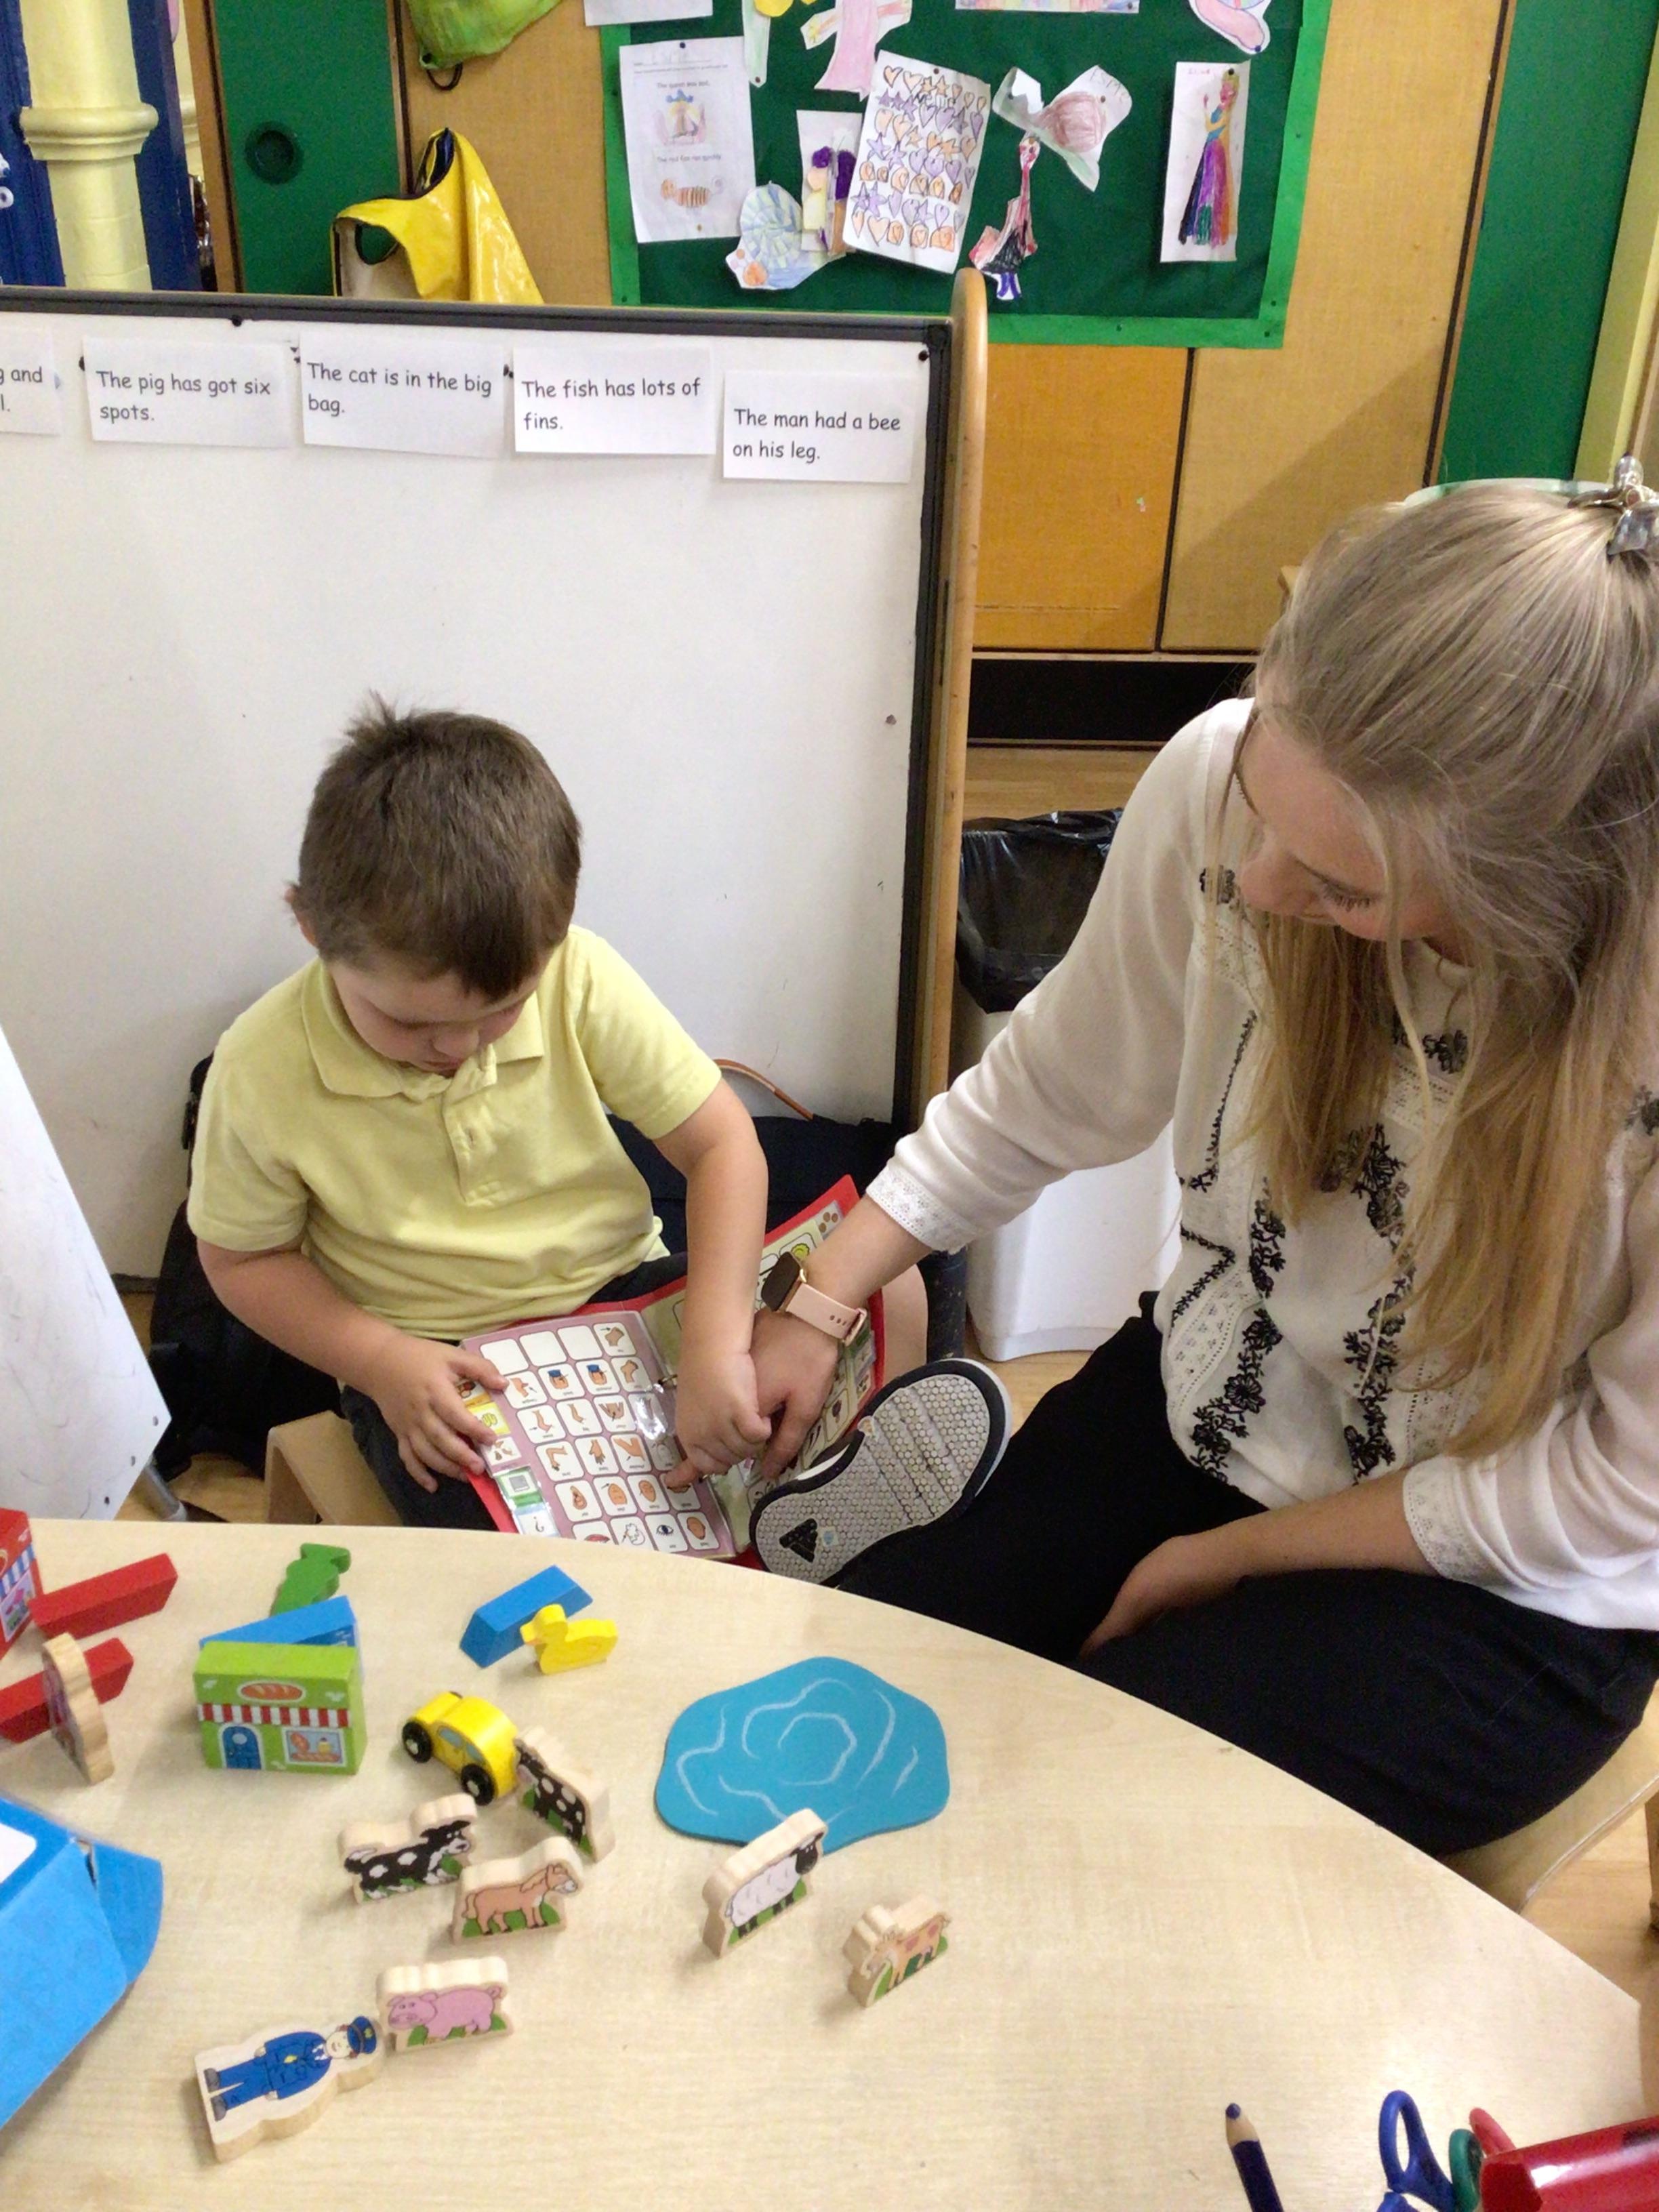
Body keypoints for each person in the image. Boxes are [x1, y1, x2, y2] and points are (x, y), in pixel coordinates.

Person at [747, 474, 1659, 1856]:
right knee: (879, 1679)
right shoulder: (1229, 781)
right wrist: (823, 1295)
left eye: (1345, 887)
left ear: (1524, 894)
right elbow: (1054, 1081)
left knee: (1068, 1825)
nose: (1267, 885)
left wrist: (1226, 1558)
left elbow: (1611, 1489)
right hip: (1229, 1386)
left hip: (1514, 1578)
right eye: (1260, 800)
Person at [189, 701, 771, 1528]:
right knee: (497, 1553)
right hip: (430, 1358)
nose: (458, 1047)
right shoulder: (259, 1066)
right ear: (311, 928)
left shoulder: (579, 974)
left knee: (846, 1331)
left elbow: (721, 1147)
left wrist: (716, 1344)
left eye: (504, 1009)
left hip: (621, 1298)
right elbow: (244, 1261)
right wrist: (381, 1360)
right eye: (410, 1022)